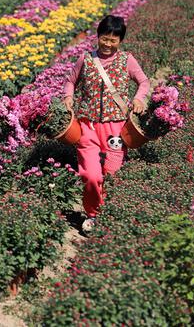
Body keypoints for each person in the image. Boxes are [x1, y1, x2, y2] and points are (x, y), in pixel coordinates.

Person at [62, 15, 150, 232]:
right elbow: (70, 82)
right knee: (91, 175)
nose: (108, 44)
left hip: (116, 128)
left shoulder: (127, 60)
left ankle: (108, 214)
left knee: (111, 174)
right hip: (87, 126)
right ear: (98, 36)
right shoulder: (86, 59)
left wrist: (139, 98)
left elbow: (144, 82)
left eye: (113, 40)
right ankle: (92, 214)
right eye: (104, 39)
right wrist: (68, 97)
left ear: (120, 41)